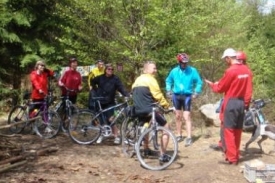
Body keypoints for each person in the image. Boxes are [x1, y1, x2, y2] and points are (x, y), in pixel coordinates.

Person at [205, 48, 253, 165]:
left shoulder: (231, 71)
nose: (225, 61)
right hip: (242, 103)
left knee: (229, 130)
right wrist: (246, 104)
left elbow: (220, 88)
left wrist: (212, 85)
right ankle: (234, 154)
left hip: (231, 102)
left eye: (225, 59)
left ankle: (232, 158)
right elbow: (249, 90)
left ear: (228, 58)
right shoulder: (247, 70)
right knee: (237, 130)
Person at [132, 61, 172, 162]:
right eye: (153, 68)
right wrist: (166, 105)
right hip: (149, 109)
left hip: (137, 109)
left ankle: (146, 149)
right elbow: (157, 95)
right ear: (146, 70)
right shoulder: (151, 79)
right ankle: (163, 155)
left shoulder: (137, 80)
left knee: (146, 125)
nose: (155, 70)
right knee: (166, 127)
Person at [165, 53, 203, 146]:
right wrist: (168, 90)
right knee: (178, 116)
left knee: (187, 116)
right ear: (179, 62)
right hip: (176, 95)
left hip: (187, 95)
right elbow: (168, 80)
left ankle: (189, 137)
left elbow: (199, 82)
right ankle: (179, 135)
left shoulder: (192, 71)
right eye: (183, 63)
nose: (185, 64)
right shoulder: (174, 71)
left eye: (186, 63)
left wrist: (196, 92)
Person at [91, 63, 129, 144]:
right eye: (109, 69)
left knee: (111, 119)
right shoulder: (100, 77)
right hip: (100, 100)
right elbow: (92, 81)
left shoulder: (115, 79)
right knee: (101, 120)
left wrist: (126, 94)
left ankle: (116, 136)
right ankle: (101, 135)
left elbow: (121, 87)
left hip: (110, 101)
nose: (110, 71)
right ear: (105, 70)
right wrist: (95, 90)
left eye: (112, 69)